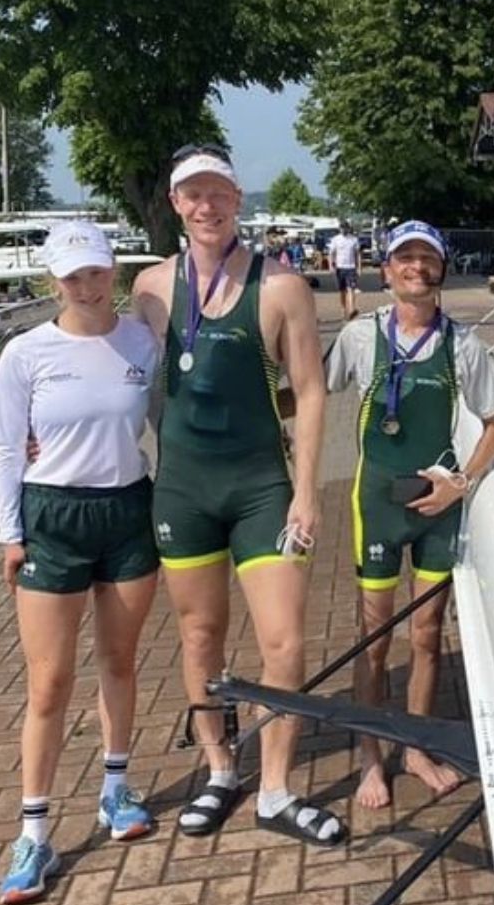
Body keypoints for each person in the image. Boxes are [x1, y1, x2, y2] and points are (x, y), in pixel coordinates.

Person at [133, 144, 344, 846]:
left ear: (236, 198)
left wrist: (307, 491)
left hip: (262, 491)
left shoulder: (281, 286)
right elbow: (125, 380)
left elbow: (309, 392)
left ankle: (276, 788)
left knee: (284, 640)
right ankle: (221, 769)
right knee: (201, 637)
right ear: (175, 204)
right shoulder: (149, 288)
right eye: (193, 194)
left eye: (218, 193)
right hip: (183, 491)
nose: (207, 206)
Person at [0, 221, 160, 904]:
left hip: (127, 512)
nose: (87, 287)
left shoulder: (142, 341)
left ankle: (116, 789)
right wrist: (11, 534)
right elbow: (7, 447)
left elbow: (172, 416)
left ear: (112, 271)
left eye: (96, 272)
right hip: (52, 518)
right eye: (72, 277)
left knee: (118, 663)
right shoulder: (25, 353)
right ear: (53, 280)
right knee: (49, 683)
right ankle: (33, 832)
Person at [327, 220, 494, 809]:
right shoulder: (358, 336)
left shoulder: (463, 344)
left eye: (427, 258)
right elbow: (309, 390)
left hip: (437, 505)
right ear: (386, 269)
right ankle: (371, 759)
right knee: (375, 638)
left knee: (427, 634)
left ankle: (416, 749)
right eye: (404, 257)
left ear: (441, 271)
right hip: (377, 503)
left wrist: (461, 484)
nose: (416, 267)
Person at [328, 220, 362, 319]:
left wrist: (359, 267)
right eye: (341, 228)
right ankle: (344, 309)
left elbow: (357, 254)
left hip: (351, 267)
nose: (343, 230)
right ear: (339, 229)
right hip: (340, 268)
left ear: (348, 228)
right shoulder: (335, 239)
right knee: (342, 291)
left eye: (345, 228)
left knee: (351, 289)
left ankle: (352, 310)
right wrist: (331, 265)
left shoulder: (354, 240)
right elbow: (331, 253)